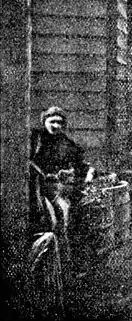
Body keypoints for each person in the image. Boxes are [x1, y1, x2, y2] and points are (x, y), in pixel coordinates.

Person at [29, 106, 94, 272]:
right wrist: (42, 174)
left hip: (58, 188)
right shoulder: (35, 139)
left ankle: (69, 263)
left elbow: (81, 165)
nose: (56, 126)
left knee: (71, 215)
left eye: (59, 122)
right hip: (38, 186)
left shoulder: (65, 141)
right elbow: (28, 161)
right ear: (44, 121)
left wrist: (82, 172)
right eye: (52, 122)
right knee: (55, 214)